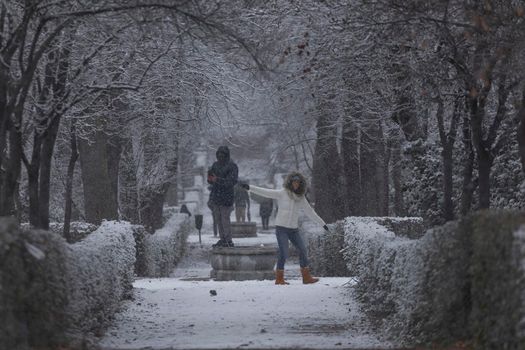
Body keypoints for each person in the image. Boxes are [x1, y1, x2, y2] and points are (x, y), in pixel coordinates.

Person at [240, 172, 329, 285]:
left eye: (298, 183)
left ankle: (306, 277)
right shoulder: (282, 193)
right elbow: (266, 192)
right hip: (281, 228)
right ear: (290, 183)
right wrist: (250, 188)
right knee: (284, 251)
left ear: (300, 184)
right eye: (294, 182)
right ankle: (279, 278)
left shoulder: (301, 198)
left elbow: (310, 212)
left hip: (294, 230)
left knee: (303, 250)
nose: (295, 184)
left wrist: (323, 224)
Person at [208, 146, 238, 247]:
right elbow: (211, 180)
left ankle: (228, 240)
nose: (220, 157)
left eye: (222, 155)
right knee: (218, 219)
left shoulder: (232, 166)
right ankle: (222, 239)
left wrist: (217, 180)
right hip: (216, 196)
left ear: (226, 155)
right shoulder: (215, 165)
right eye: (219, 155)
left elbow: (231, 182)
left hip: (226, 197)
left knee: (225, 219)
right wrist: (210, 177)